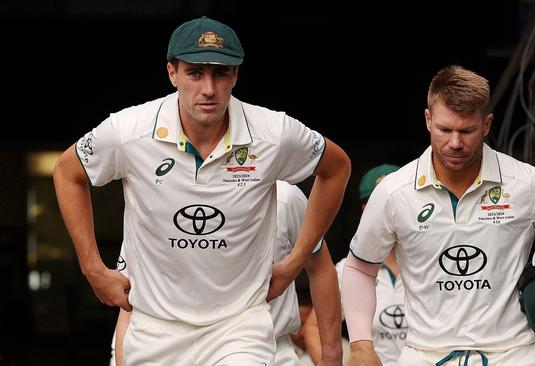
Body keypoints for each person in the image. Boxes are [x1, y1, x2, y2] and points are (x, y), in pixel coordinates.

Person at [53, 16, 350, 365]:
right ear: (172, 73)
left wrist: (295, 260)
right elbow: (66, 172)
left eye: (221, 73)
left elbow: (336, 168)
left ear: (236, 75)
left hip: (238, 325)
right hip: (155, 327)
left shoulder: (274, 133)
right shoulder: (129, 130)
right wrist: (93, 269)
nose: (209, 89)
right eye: (195, 73)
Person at [340, 65, 535, 366]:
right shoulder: (395, 192)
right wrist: (360, 345)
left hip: (514, 353)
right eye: (445, 129)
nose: (456, 143)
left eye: (467, 131)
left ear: (486, 125)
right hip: (424, 354)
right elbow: (359, 268)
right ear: (428, 120)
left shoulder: (524, 182)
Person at [109, 181, 343, 366]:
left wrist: (332, 356)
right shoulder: (155, 201)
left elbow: (321, 269)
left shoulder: (283, 198)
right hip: (172, 350)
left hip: (268, 350)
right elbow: (130, 303)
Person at [304, 165, 407, 366]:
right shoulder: (347, 269)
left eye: (396, 204)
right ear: (364, 210)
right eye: (376, 204)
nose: (388, 212)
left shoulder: (433, 262)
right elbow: (314, 327)